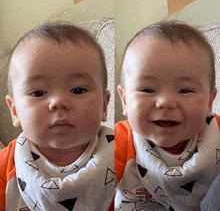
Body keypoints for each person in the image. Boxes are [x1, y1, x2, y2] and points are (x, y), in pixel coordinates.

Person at [0, 22, 115, 211]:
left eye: (77, 90)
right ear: (14, 111)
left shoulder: (125, 158)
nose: (58, 102)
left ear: (104, 105)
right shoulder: (4, 170)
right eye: (38, 93)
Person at [115, 20, 220, 211]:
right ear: (125, 101)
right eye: (147, 89)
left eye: (185, 90)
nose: (166, 102)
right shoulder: (121, 139)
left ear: (209, 102)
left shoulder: (217, 132)